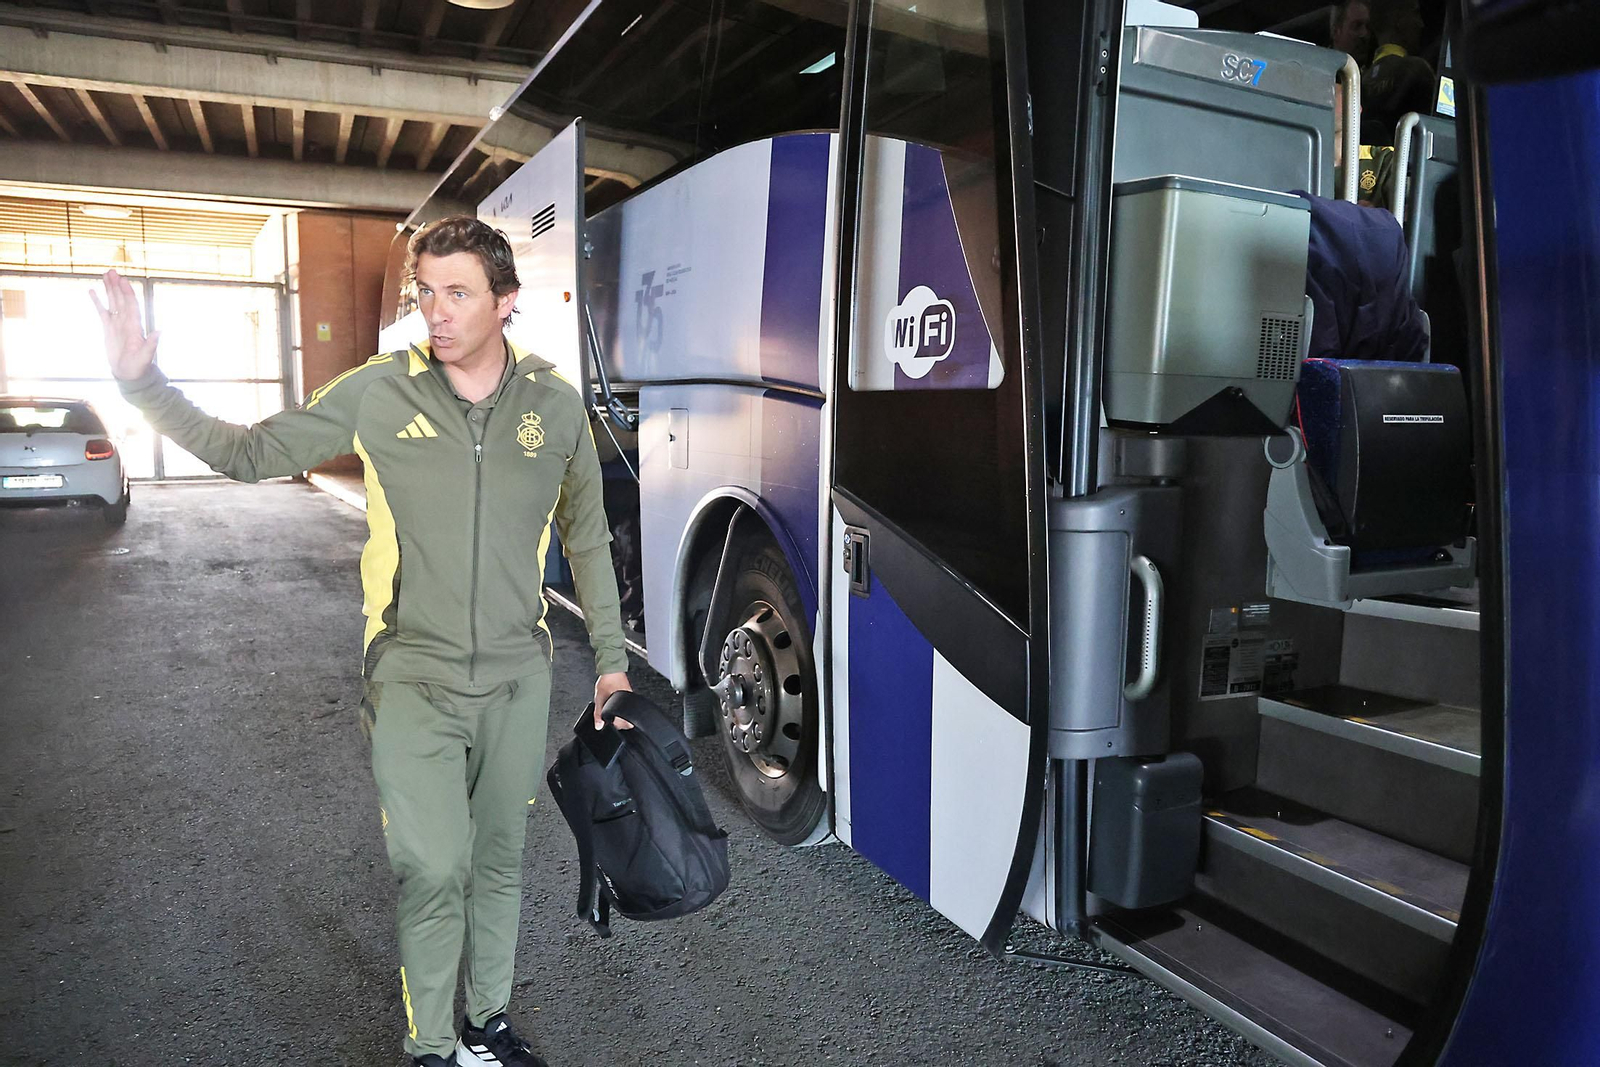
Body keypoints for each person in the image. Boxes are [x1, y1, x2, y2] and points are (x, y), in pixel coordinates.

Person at [93, 217, 632, 1067]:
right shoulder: (384, 389)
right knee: (433, 866)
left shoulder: (555, 404)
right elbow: (252, 451)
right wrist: (143, 384)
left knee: (498, 860)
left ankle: (488, 1021)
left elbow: (590, 539)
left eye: (457, 293)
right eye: (426, 292)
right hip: (411, 675)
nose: (435, 313)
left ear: (507, 303)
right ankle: (429, 1045)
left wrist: (609, 662)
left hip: (518, 681)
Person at [1329, 0, 1373, 64]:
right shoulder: (1317, 68)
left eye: (1368, 26)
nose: (1365, 34)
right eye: (1357, 26)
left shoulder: (1378, 69)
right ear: (1335, 31)